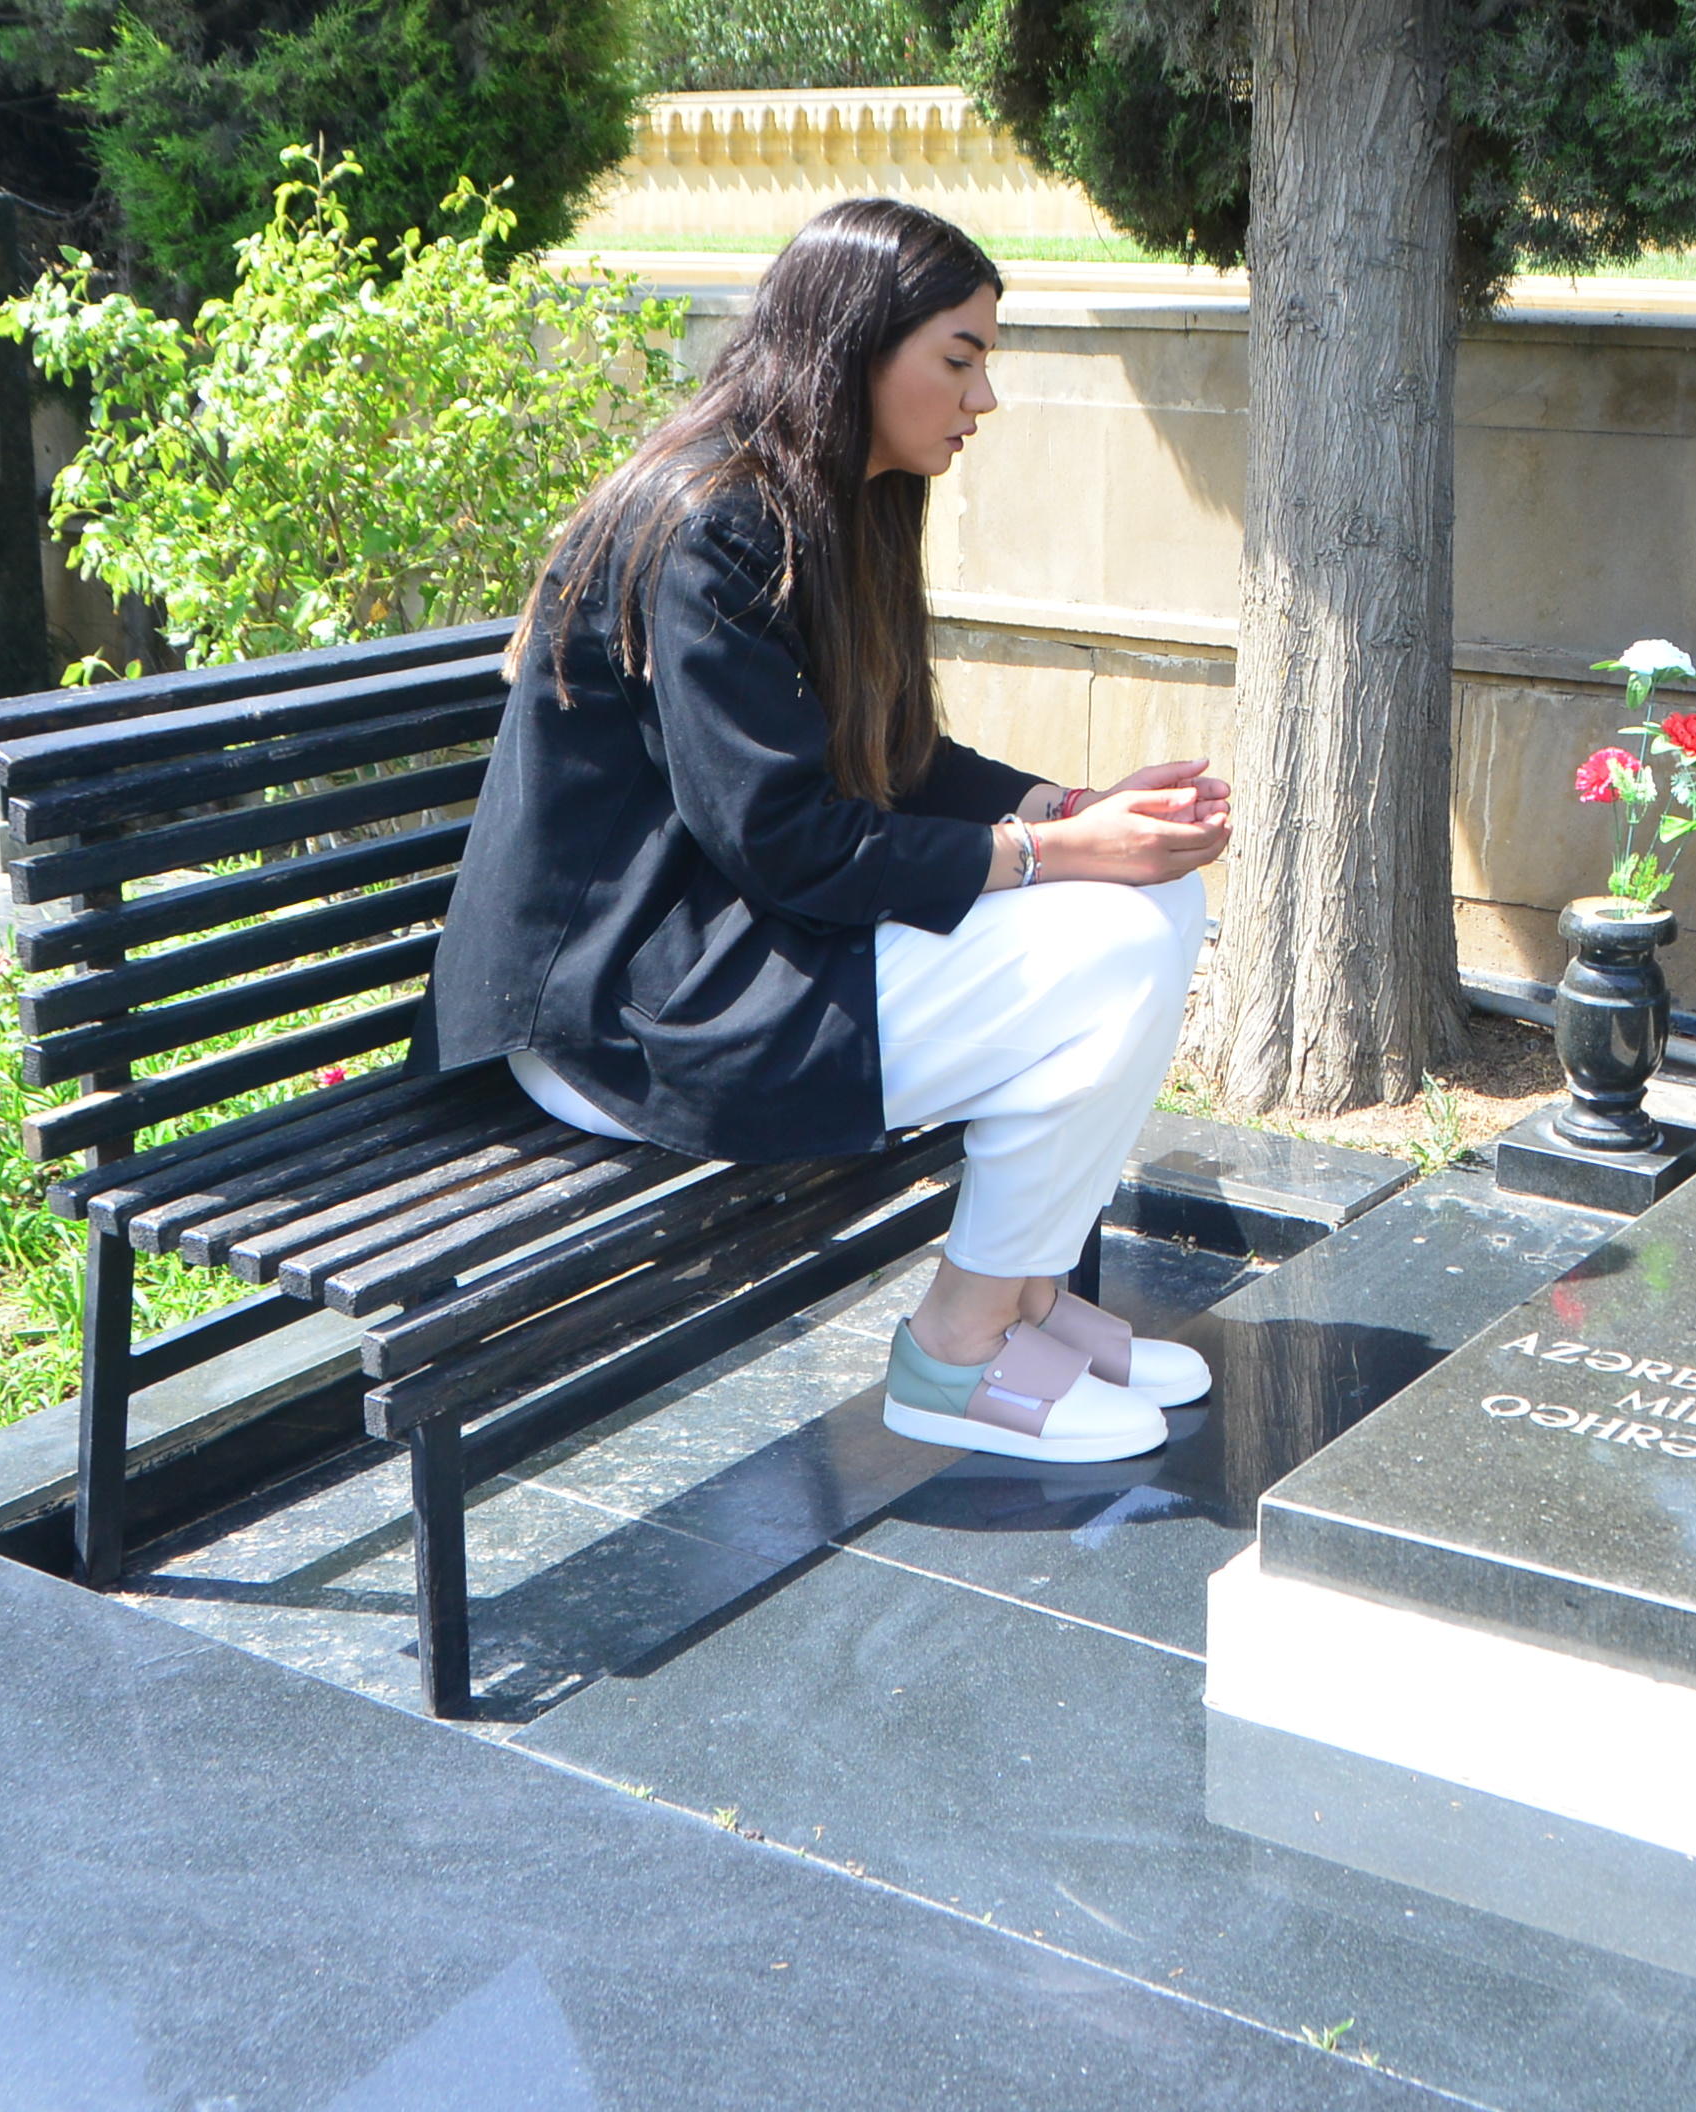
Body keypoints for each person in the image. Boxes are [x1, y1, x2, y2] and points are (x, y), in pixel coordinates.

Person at [429, 198, 1232, 1466]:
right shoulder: (711, 524)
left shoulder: (829, 502)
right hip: (634, 1018)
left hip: (745, 952)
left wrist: (1072, 810)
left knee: (1159, 901)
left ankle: (1025, 1299)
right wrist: (1059, 855)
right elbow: (787, 839)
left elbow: (896, 758)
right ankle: (957, 1354)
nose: (983, 399)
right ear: (856, 347)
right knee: (1116, 946)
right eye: (959, 359)